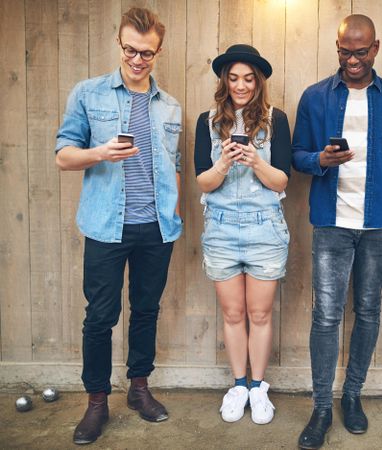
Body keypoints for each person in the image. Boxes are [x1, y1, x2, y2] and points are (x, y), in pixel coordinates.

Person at [54, 7, 182, 445]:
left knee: (146, 311)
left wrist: (174, 211)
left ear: (158, 52)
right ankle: (96, 403)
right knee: (100, 317)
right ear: (119, 44)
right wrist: (100, 153)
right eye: (130, 49)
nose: (137, 59)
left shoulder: (170, 106)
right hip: (106, 227)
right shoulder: (88, 94)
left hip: (157, 229)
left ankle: (139, 389)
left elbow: (175, 166)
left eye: (146, 52)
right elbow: (63, 155)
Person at [292, 14, 382, 450]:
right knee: (325, 316)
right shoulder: (315, 97)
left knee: (369, 311)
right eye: (345, 51)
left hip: (380, 224)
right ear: (337, 47)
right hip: (332, 223)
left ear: (375, 48)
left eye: (361, 52)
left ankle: (352, 396)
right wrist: (318, 161)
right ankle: (322, 407)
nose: (353, 60)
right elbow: (297, 154)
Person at [194, 44, 291, 426]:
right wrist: (221, 163)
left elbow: (283, 179)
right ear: (224, 81)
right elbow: (203, 182)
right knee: (233, 313)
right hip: (220, 229)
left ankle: (258, 387)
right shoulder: (208, 121)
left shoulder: (276, 119)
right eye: (233, 78)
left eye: (248, 78)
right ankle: (237, 384)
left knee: (260, 313)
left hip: (265, 228)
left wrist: (255, 161)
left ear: (258, 81)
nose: (241, 85)